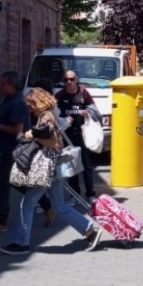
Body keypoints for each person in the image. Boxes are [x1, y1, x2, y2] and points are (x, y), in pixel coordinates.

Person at [0, 88, 102, 255]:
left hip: (46, 167)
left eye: (30, 105)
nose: (29, 109)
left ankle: (21, 243)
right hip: (53, 166)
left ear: (37, 103)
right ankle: (90, 230)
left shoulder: (45, 116)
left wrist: (31, 134)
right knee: (59, 206)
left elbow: (52, 141)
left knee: (27, 204)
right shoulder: (51, 113)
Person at [0, 71, 31, 234]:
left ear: (12, 86)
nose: (0, 87)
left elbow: (17, 130)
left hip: (13, 149)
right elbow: (8, 118)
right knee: (16, 182)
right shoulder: (9, 100)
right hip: (10, 148)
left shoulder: (16, 102)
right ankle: (46, 204)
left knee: (1, 186)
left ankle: (0, 221)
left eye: (3, 84)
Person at [54, 70, 98, 202]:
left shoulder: (83, 92)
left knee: (86, 165)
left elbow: (95, 110)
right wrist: (63, 120)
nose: (69, 82)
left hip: (82, 132)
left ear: (76, 79)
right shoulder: (60, 95)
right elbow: (54, 114)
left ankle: (90, 194)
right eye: (66, 80)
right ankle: (75, 195)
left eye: (71, 79)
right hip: (67, 134)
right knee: (71, 165)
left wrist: (87, 112)